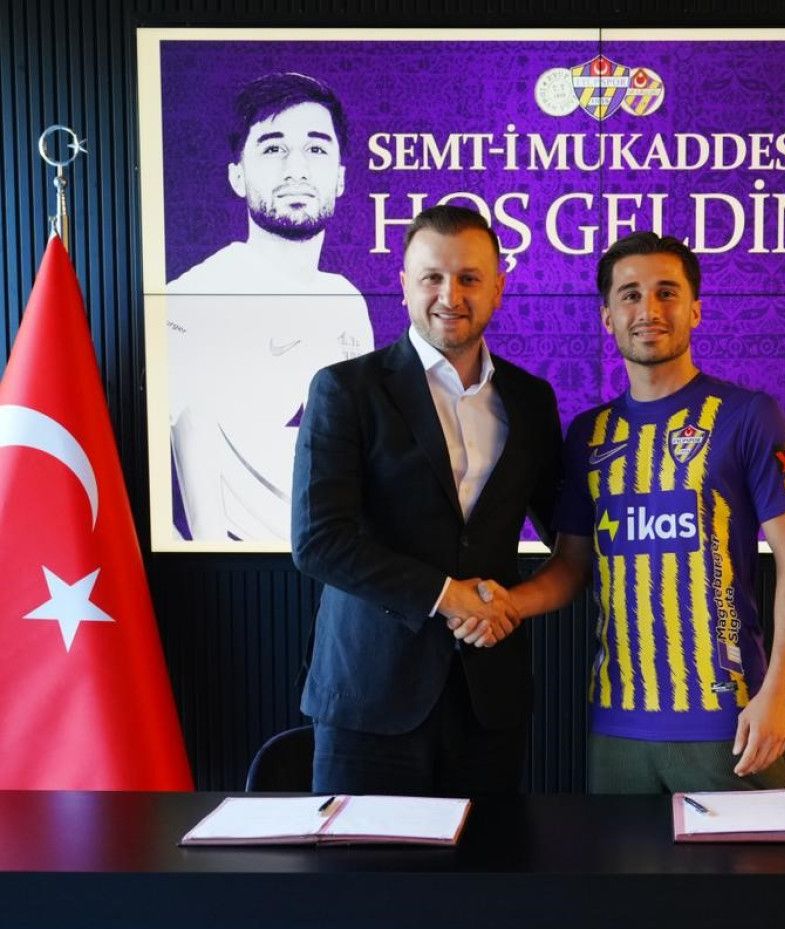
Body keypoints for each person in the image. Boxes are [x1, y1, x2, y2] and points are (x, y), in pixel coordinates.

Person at [454, 231, 785, 794]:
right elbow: (572, 566)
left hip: (728, 719)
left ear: (695, 310)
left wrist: (779, 693)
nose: (648, 310)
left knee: (757, 857)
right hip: (616, 727)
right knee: (620, 858)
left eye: (666, 292)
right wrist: (505, 606)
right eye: (630, 295)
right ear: (607, 317)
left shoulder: (748, 415)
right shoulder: (589, 435)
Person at [291, 204, 562, 796]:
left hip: (489, 700)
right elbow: (319, 542)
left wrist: (509, 605)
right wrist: (447, 595)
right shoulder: (345, 389)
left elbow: (569, 537)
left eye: (469, 278)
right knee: (364, 859)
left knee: (490, 859)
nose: (450, 295)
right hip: (369, 697)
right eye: (432, 277)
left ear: (498, 288)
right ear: (404, 285)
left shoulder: (531, 400)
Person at [167, 71, 374, 543]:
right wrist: (208, 556)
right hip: (243, 565)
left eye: (316, 149)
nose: (295, 169)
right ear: (237, 175)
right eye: (273, 147)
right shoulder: (194, 296)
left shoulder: (345, 300)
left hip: (342, 560)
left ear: (341, 177)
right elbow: (156, 454)